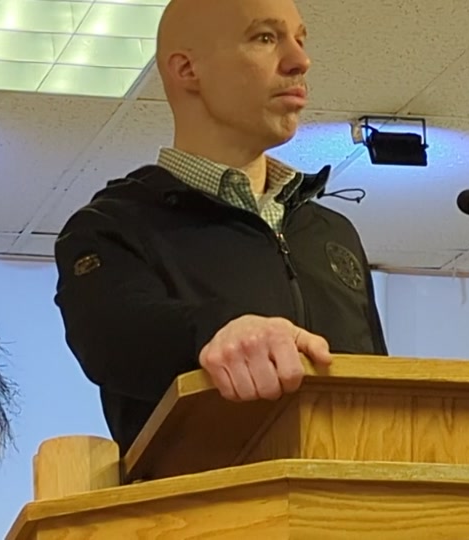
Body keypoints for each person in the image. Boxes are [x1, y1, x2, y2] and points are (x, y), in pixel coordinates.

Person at [53, 0, 388, 456]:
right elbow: (113, 341)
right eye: (265, 38)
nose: (300, 60)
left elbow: (379, 388)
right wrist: (218, 332)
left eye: (299, 39)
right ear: (187, 69)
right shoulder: (111, 227)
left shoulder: (333, 233)